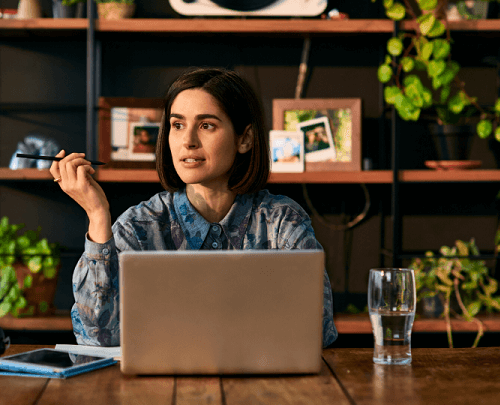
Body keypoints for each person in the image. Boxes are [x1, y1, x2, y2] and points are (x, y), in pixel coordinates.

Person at [50, 67, 338, 348]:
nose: (187, 141)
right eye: (177, 125)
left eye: (206, 125)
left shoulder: (282, 221)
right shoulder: (139, 226)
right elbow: (97, 336)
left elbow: (317, 329)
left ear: (245, 138)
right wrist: (97, 216)